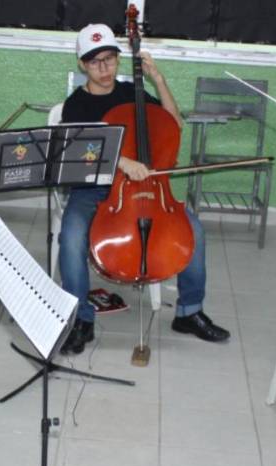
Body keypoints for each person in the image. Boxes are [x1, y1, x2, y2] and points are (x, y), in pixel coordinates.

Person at [58, 24, 230, 355]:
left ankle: (189, 312)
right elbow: (79, 152)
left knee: (193, 229)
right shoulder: (76, 105)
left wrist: (158, 80)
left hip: (144, 187)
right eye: (95, 62)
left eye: (110, 59)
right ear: (82, 64)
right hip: (92, 189)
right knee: (72, 235)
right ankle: (81, 319)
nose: (104, 68)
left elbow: (172, 125)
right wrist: (121, 162)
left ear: (118, 59)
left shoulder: (130, 93)